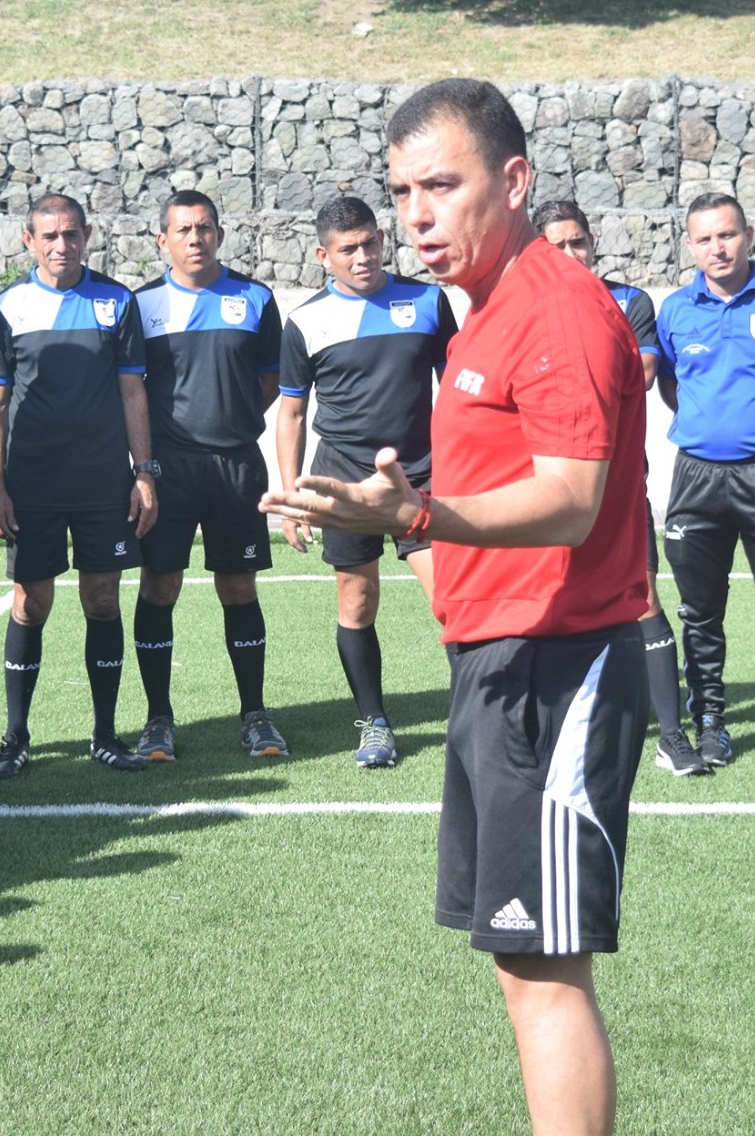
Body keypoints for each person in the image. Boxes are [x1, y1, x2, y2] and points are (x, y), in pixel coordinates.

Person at [263, 79, 650, 1136]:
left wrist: (418, 516)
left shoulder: (556, 307)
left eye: (440, 185)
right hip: (497, 663)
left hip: (559, 663)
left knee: (546, 968)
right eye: (402, 192)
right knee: (520, 964)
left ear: (513, 181)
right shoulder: (483, 311)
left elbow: (571, 500)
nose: (416, 216)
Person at [274, 196, 456, 769]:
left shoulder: (427, 300)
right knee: (357, 600)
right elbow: (292, 413)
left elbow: (457, 391)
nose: (363, 257)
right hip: (341, 478)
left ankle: (477, 715)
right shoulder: (305, 322)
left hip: (419, 473)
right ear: (322, 255)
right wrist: (293, 497)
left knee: (450, 600)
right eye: (348, 249)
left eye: (371, 243)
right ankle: (373, 723)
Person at [0, 194, 156, 778]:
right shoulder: (7, 306)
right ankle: (15, 736)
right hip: (32, 483)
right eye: (50, 236)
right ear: (28, 241)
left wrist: (144, 472)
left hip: (103, 482)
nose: (62, 246)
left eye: (72, 234)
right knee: (31, 604)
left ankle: (105, 734)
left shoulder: (117, 301)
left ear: (88, 235)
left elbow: (132, 392)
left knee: (102, 601)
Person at [534, 199, 704, 779]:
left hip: (620, 481)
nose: (570, 254)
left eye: (577, 241)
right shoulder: (523, 304)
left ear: (592, 242)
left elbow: (641, 374)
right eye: (556, 245)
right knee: (549, 599)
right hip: (545, 484)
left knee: (643, 597)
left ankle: (672, 735)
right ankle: (552, 728)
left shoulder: (629, 302)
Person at [653, 192, 755, 774]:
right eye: (704, 238)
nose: (717, 248)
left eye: (726, 234)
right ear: (689, 246)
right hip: (696, 477)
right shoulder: (675, 310)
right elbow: (671, 385)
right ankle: (710, 723)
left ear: (748, 235)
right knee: (699, 611)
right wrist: (712, 425)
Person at [130, 190, 287, 762]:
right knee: (159, 587)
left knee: (238, 587)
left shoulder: (255, 298)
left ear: (219, 234)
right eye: (183, 229)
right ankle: (158, 719)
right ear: (162, 240)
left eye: (204, 228)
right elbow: (131, 389)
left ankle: (255, 714)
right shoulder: (141, 305)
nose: (195, 238)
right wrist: (144, 467)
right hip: (167, 469)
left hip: (236, 466)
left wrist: (234, 417)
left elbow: (272, 378)